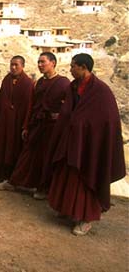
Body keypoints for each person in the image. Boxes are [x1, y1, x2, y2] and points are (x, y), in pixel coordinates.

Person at [47, 54, 125, 236]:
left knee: (86, 178)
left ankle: (87, 217)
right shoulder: (73, 87)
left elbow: (106, 119)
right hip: (72, 140)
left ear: (83, 67)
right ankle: (68, 209)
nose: (71, 69)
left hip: (90, 145)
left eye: (74, 66)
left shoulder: (100, 91)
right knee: (67, 174)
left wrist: (80, 123)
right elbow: (70, 112)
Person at [0, 52, 69, 197]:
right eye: (38, 62)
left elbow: (70, 104)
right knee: (27, 155)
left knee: (46, 158)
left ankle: (43, 189)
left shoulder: (63, 83)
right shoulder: (40, 82)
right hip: (37, 124)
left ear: (53, 63)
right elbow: (32, 105)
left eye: (43, 62)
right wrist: (26, 125)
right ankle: (13, 182)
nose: (40, 65)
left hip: (51, 127)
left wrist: (61, 115)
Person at [0, 56, 33, 182]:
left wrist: (24, 124)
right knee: (0, 146)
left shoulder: (28, 83)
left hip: (17, 121)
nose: (13, 67)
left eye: (16, 65)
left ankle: (10, 175)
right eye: (11, 64)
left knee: (13, 148)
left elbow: (28, 104)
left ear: (22, 66)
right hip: (3, 120)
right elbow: (1, 97)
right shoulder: (7, 80)